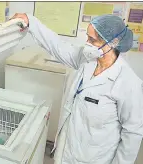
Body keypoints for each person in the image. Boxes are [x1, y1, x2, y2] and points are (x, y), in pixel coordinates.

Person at [10, 13, 143, 164]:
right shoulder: (86, 58)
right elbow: (58, 46)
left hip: (95, 159)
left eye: (92, 40)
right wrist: (31, 22)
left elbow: (132, 134)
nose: (87, 43)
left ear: (111, 43)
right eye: (88, 37)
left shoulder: (128, 83)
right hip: (65, 152)